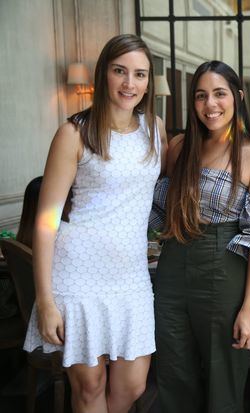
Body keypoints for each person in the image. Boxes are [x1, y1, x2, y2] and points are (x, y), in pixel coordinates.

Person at [23, 34, 167, 413]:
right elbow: (46, 220)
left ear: (148, 81)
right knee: (89, 387)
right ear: (104, 73)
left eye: (139, 74)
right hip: (77, 275)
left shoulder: (155, 129)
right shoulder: (74, 132)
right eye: (120, 71)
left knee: (133, 385)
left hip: (131, 278)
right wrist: (45, 299)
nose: (129, 84)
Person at [149, 60, 250, 413]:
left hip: (224, 267)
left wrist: (249, 308)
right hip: (172, 269)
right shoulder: (179, 147)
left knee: (223, 374)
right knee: (173, 370)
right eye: (201, 96)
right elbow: (161, 212)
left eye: (219, 94)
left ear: (237, 98)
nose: (210, 104)